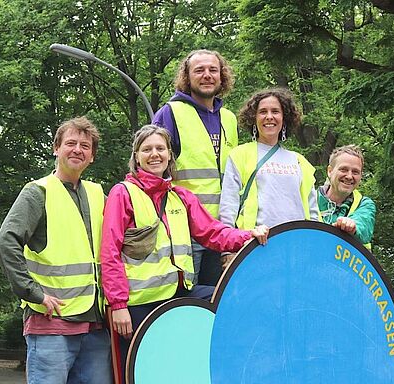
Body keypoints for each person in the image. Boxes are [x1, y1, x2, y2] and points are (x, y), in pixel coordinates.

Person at [100, 125, 269, 376]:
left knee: (229, 300)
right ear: (136, 157)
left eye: (160, 148)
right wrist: (118, 304)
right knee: (136, 373)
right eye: (146, 149)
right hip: (138, 305)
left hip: (177, 296)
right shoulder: (122, 193)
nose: (154, 154)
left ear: (169, 155)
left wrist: (249, 235)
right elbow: (109, 251)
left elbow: (213, 233)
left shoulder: (181, 196)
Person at [0, 117, 112, 384]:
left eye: (85, 145)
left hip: (95, 326)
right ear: (56, 148)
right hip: (51, 325)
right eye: (70, 143)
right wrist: (33, 292)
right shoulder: (37, 192)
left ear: (92, 156)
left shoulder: (97, 194)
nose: (78, 150)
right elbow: (5, 242)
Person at [152, 49, 238, 285]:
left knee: (217, 299)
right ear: (187, 78)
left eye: (213, 70)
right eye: (199, 70)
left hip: (223, 229)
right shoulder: (170, 113)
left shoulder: (229, 119)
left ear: (222, 76)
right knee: (187, 299)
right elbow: (151, 171)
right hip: (186, 229)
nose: (207, 75)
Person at [219, 88, 320, 267]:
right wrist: (228, 250)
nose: (269, 116)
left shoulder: (299, 160)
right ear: (254, 118)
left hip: (296, 249)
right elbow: (228, 206)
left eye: (275, 111)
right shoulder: (240, 155)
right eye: (262, 112)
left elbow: (312, 212)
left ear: (285, 118)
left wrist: (316, 247)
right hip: (255, 247)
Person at [318, 144, 376, 249]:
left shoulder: (364, 204)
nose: (349, 176)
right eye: (343, 170)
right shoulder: (310, 198)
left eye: (355, 172)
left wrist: (352, 225)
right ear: (330, 171)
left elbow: (363, 224)